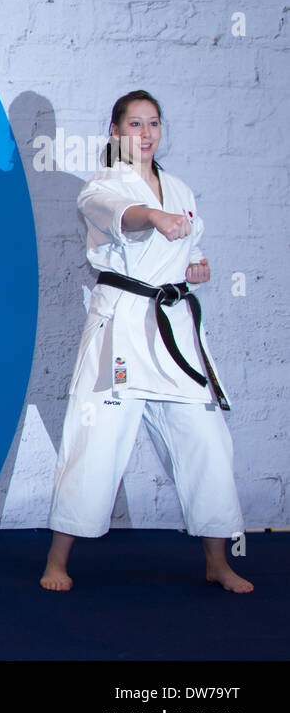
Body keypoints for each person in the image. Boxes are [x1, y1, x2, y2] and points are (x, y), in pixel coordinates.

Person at [40, 90, 251, 593]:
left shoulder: (180, 189)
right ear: (115, 133)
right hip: (121, 327)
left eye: (153, 123)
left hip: (172, 328)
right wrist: (154, 217)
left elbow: (186, 251)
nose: (147, 133)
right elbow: (127, 215)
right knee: (94, 443)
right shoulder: (100, 186)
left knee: (207, 443)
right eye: (135, 124)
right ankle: (57, 559)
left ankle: (217, 561)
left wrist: (193, 268)